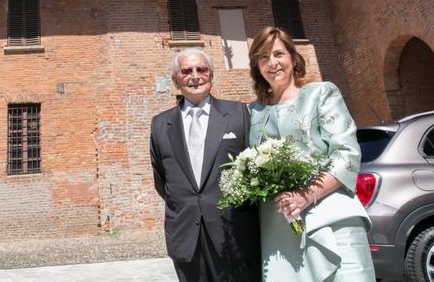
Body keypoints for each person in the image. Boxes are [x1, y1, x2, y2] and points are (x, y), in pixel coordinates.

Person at [248, 26, 375, 281]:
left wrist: (306, 196)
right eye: (263, 57)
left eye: (278, 54)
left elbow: (347, 154)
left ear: (293, 58)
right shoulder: (254, 112)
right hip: (279, 226)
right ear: (257, 66)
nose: (272, 63)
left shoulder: (321, 93)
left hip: (332, 216)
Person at [150, 47, 260, 282]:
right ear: (175, 80)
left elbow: (253, 167)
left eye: (201, 69)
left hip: (233, 233)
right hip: (186, 235)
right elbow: (162, 179)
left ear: (211, 75)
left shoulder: (238, 113)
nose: (195, 76)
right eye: (186, 71)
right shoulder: (160, 124)